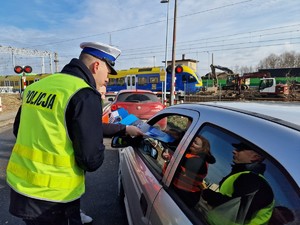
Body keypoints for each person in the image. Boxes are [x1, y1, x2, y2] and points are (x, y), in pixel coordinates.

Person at [7, 41, 143, 225]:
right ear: (96, 66)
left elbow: (19, 129)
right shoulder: (85, 94)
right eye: (108, 72)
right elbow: (91, 159)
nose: (108, 79)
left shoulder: (37, 87)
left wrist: (123, 128)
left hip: (22, 188)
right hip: (56, 197)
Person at [201, 142, 274, 225]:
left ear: (255, 157)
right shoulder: (244, 175)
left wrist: (207, 194)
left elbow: (237, 211)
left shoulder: (253, 180)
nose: (234, 151)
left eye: (240, 149)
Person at [171, 135, 216, 208]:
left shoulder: (200, 162)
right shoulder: (189, 153)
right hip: (175, 189)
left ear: (202, 149)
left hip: (185, 196)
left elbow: (185, 162)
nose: (192, 143)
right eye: (192, 141)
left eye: (196, 143)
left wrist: (170, 154)